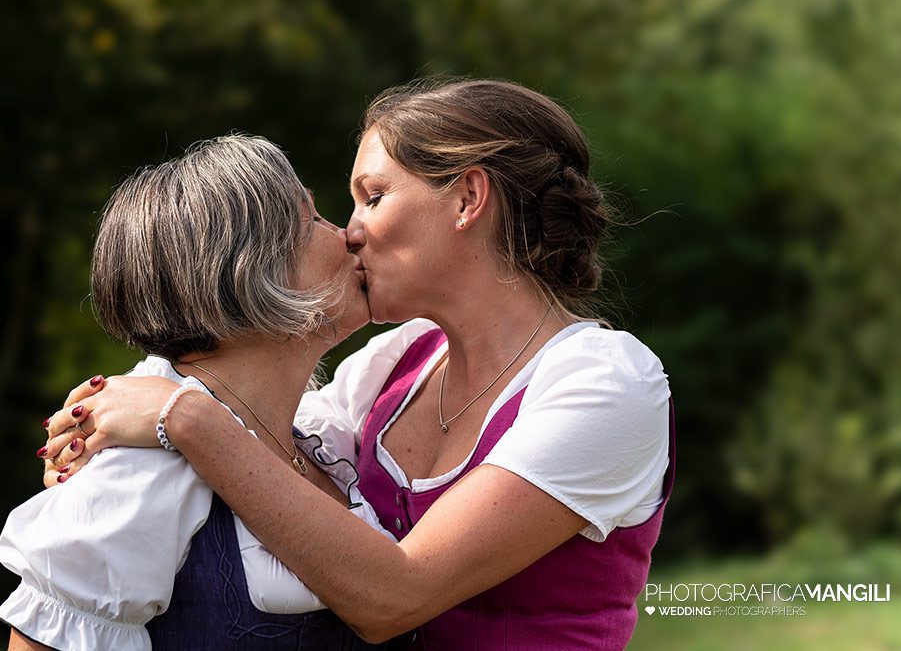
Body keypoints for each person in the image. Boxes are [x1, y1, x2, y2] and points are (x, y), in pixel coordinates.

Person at [44, 79, 674, 650]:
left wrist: (182, 417)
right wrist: (104, 436)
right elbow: (262, 431)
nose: (351, 231)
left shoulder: (607, 385)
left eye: (373, 197)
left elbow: (395, 598)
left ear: (467, 198)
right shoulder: (396, 363)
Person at [0, 134, 397, 650]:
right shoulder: (142, 470)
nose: (350, 234)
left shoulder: (322, 436)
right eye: (314, 219)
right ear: (251, 268)